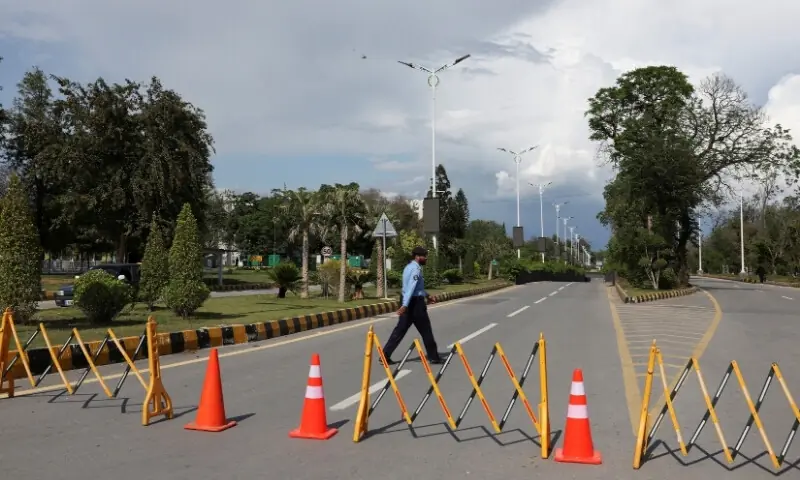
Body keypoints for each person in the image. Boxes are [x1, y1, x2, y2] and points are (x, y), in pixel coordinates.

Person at [381, 246, 445, 365]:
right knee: (426, 330)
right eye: (424, 256)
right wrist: (405, 305)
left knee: (400, 329)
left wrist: (427, 295)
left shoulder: (408, 267)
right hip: (414, 303)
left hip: (409, 300)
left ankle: (385, 354)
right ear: (417, 257)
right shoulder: (416, 269)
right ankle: (434, 357)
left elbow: (416, 288)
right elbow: (411, 287)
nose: (426, 258)